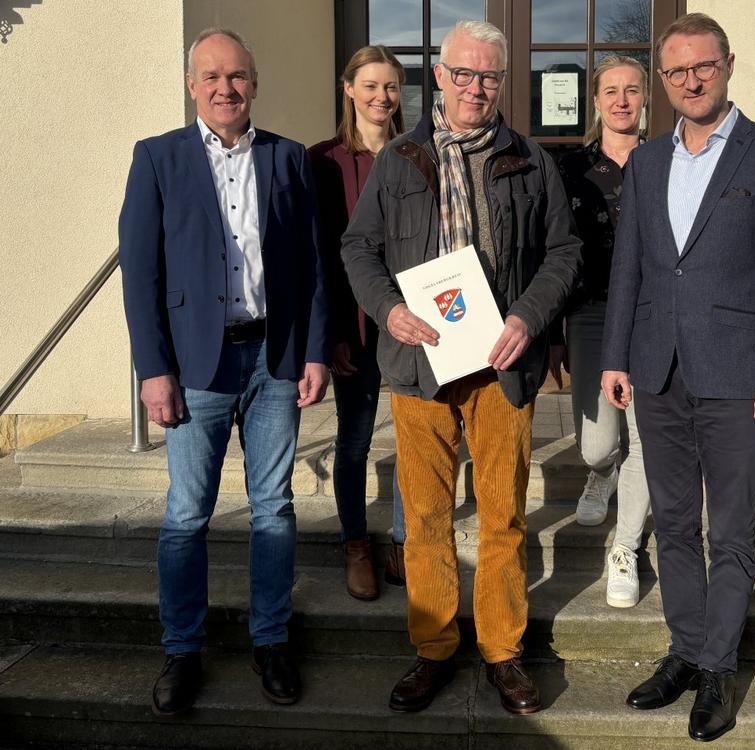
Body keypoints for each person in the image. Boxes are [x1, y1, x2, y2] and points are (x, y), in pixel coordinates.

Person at [341, 20, 580, 716]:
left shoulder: (530, 160)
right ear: (440, 77)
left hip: (502, 366)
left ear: (503, 81)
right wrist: (388, 310)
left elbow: (564, 252)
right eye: (465, 74)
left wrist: (527, 318)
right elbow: (359, 248)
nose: (477, 87)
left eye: (490, 76)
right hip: (419, 366)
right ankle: (435, 646)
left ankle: (503, 650)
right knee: (425, 516)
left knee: (503, 515)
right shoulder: (399, 159)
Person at [600, 13, 755, 742]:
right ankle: (685, 652)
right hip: (657, 370)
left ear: (728, 65)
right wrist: (616, 356)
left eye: (704, 66)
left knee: (729, 530)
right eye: (677, 71)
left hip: (738, 375)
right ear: (662, 80)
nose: (691, 81)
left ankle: (719, 669)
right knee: (671, 522)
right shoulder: (647, 162)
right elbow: (629, 269)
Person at [119, 28, 329, 716]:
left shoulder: (288, 158)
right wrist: (154, 370)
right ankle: (182, 649)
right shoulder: (157, 158)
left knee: (274, 507)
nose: (224, 88)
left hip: (274, 359)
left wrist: (315, 350)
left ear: (255, 83)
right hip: (194, 367)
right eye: (210, 77)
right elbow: (141, 275)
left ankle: (270, 640)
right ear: (192, 86)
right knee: (187, 513)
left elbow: (313, 265)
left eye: (236, 76)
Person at [550, 55, 651, 609]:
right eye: (611, 91)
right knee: (597, 444)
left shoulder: (666, 159)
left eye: (631, 90)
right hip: (592, 312)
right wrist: (554, 332)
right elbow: (552, 252)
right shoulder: (569, 169)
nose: (621, 100)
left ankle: (626, 547)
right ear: (595, 100)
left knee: (647, 437)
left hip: (653, 316)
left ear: (644, 97)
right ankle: (602, 473)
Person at [308, 45, 408, 601]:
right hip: (355, 326)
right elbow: (320, 255)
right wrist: (332, 333)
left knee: (417, 438)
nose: (381, 97)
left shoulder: (417, 154)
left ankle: (404, 539)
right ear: (349, 89)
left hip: (414, 321)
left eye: (390, 86)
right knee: (355, 440)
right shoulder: (321, 161)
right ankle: (355, 544)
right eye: (370, 85)